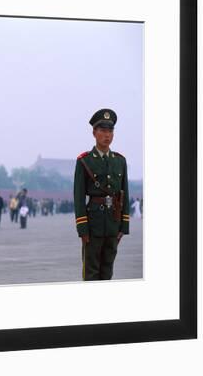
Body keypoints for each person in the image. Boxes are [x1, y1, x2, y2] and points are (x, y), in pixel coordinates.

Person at [74, 108, 130, 281]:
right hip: (93, 226)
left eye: (110, 131)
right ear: (94, 133)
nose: (107, 135)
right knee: (91, 273)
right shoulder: (85, 161)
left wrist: (123, 226)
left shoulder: (120, 161)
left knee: (107, 272)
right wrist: (83, 228)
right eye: (103, 131)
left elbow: (124, 193)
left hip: (113, 224)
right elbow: (78, 197)